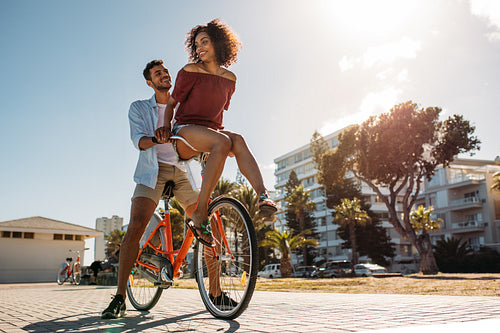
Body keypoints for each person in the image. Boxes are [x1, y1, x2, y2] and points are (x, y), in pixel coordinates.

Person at [101, 59, 236, 319]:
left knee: (207, 225)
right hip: (153, 171)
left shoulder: (183, 104)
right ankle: (119, 297)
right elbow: (139, 141)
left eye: (165, 71)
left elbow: (197, 136)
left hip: (183, 172)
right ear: (150, 82)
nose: (164, 74)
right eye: (157, 73)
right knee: (136, 224)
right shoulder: (140, 107)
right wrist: (157, 137)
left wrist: (208, 152)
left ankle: (216, 292)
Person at [161, 19, 276, 246]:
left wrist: (226, 146)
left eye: (205, 42)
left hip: (212, 133)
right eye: (196, 45)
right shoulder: (190, 71)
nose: (199, 48)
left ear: (219, 43)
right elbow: (171, 104)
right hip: (184, 133)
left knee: (238, 140)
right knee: (223, 141)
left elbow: (216, 115)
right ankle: (200, 212)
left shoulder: (230, 79)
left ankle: (263, 196)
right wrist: (166, 126)